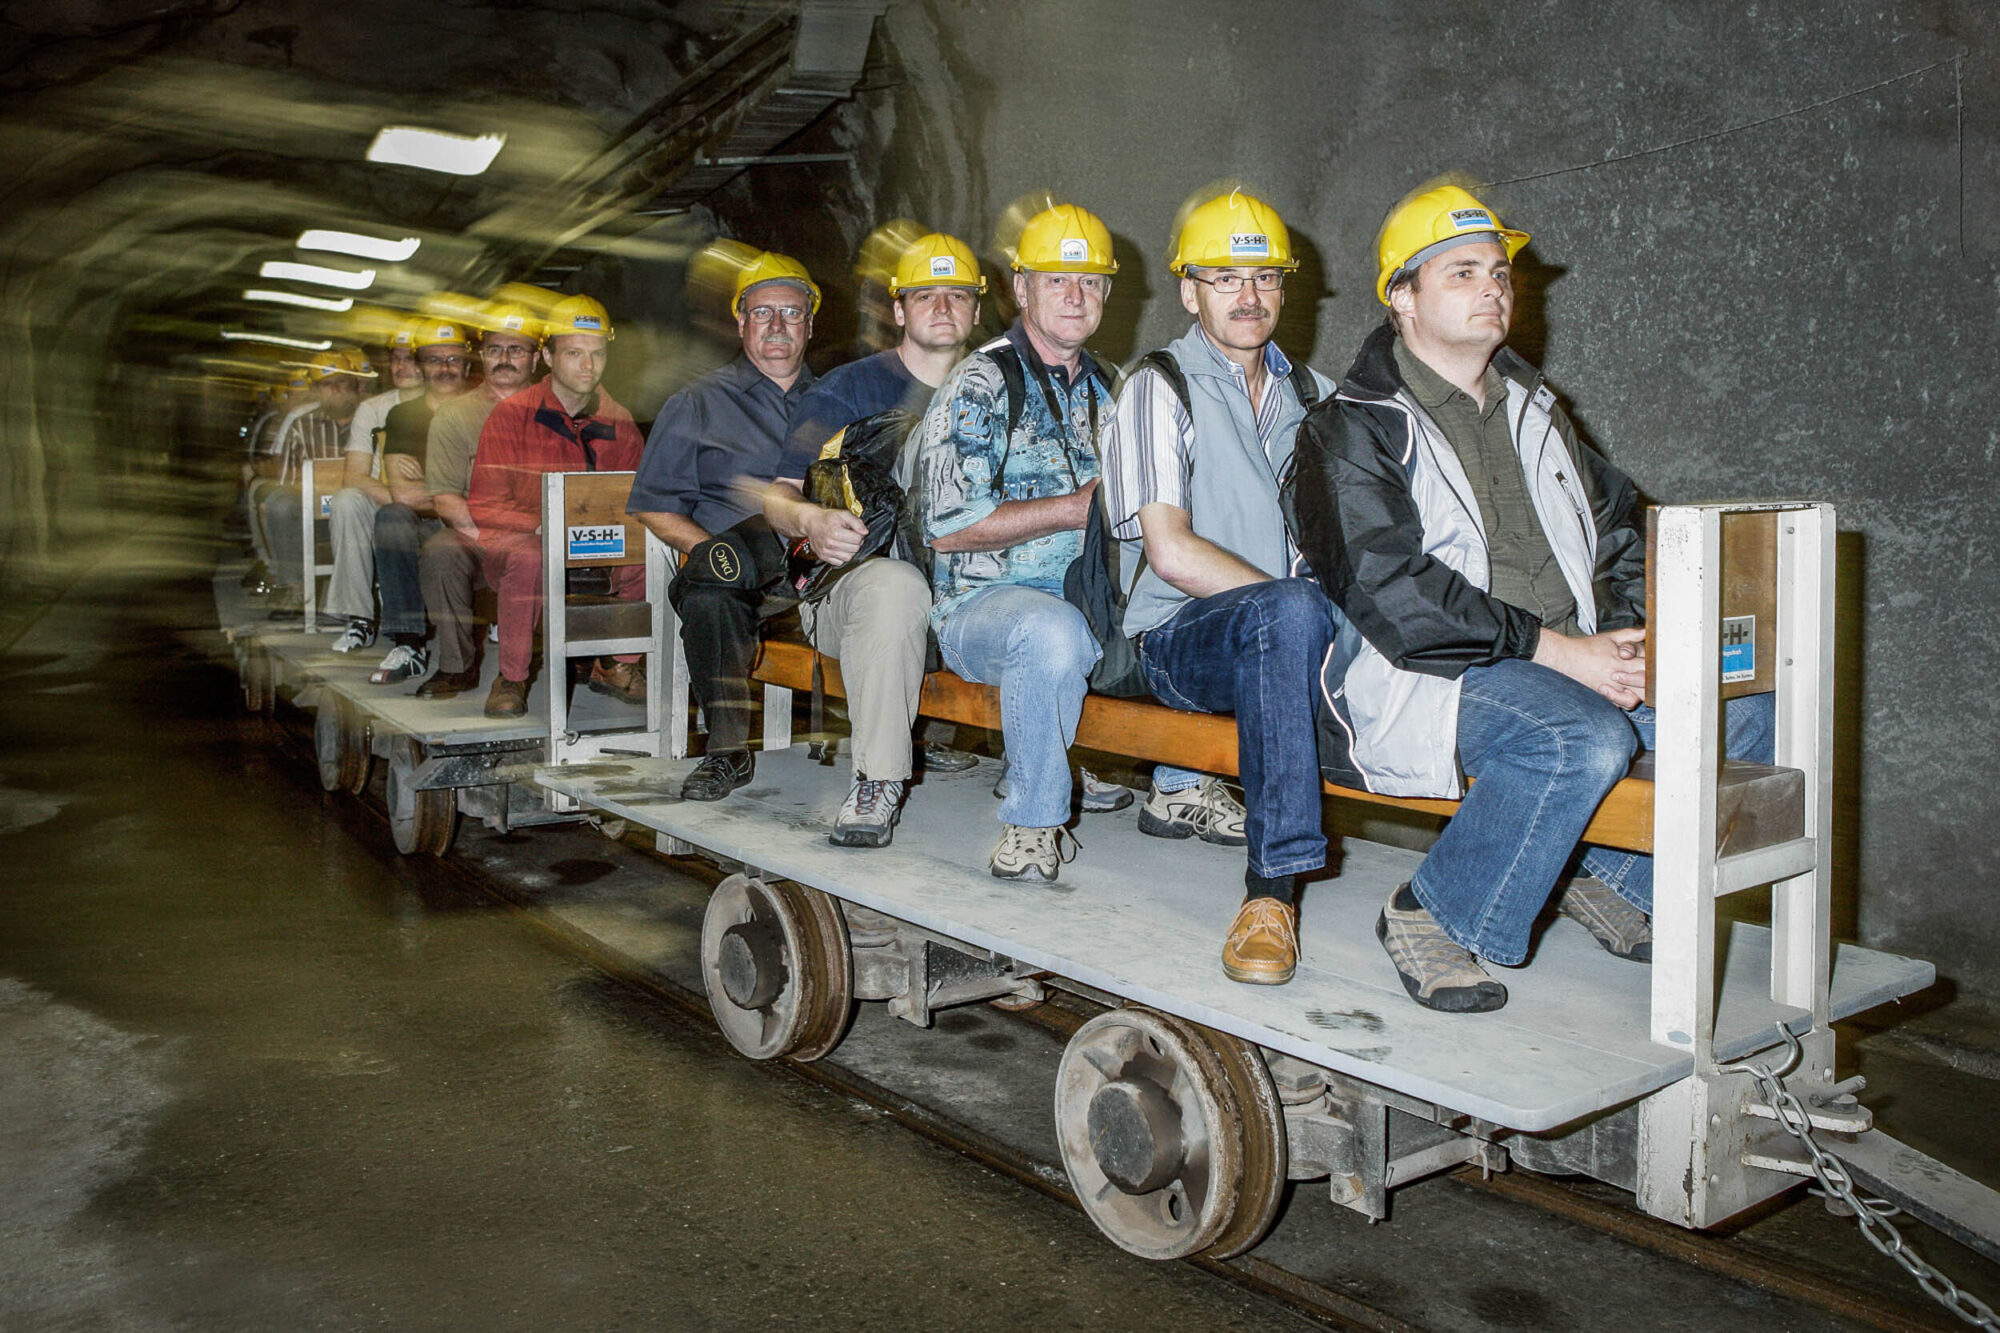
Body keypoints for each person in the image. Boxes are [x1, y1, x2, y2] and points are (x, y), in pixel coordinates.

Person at [1290, 183, 1774, 1013]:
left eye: (1500, 274)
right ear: (1401, 297)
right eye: (1463, 272)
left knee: (1743, 702)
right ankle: (1431, 912)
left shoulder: (1537, 409)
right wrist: (1564, 655)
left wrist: (1627, 639)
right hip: (1433, 670)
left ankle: (1603, 874)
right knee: (1577, 740)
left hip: (1568, 652)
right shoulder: (1350, 426)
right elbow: (1391, 591)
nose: (1493, 289)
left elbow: (1619, 527)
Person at [1099, 191, 1339, 985]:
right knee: (1289, 612)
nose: (1249, 295)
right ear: (1190, 290)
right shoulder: (1157, 386)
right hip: (1179, 639)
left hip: (1293, 625)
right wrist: (1297, 607)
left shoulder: (1315, 396)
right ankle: (1272, 895)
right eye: (1226, 277)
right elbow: (1170, 553)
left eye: (1266, 277)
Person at [912, 203, 1119, 882]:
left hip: (1089, 596)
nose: (1074, 295)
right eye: (1057, 280)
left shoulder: (1111, 388)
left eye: (1089, 282)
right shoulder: (982, 382)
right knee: (1051, 634)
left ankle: (1181, 787)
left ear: (1107, 295)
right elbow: (946, 529)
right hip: (984, 607)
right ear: (1023, 289)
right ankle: (1033, 822)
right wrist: (1072, 510)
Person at [760, 232, 983, 846]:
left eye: (957, 295)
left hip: (969, 591)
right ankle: (877, 779)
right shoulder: (847, 390)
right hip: (854, 591)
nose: (942, 307)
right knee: (895, 585)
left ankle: (1085, 755)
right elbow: (775, 494)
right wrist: (811, 521)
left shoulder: (998, 385)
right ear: (899, 309)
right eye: (925, 294)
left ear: (978, 309)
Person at [628, 251, 819, 802]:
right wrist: (707, 551)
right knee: (711, 589)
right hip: (738, 575)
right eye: (763, 314)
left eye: (790, 312)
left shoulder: (838, 402)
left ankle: (917, 734)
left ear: (810, 322)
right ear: (741, 323)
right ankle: (727, 750)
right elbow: (655, 503)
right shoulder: (697, 403)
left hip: (821, 567)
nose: (778, 326)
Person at [466, 295, 645, 719]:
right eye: (574, 354)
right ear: (547, 356)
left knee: (651, 549)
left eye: (597, 354)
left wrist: (625, 530)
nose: (588, 366)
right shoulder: (512, 417)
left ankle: (618, 664)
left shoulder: (620, 422)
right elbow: (486, 504)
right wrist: (541, 525)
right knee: (531, 557)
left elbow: (637, 499)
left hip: (595, 543)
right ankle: (511, 677)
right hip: (521, 546)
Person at [397, 303, 542, 696]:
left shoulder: (558, 411)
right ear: (481, 355)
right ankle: (456, 666)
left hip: (543, 533)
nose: (505, 359)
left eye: (516, 350)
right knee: (441, 551)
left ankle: (589, 660)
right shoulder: (455, 415)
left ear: (535, 357)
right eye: (495, 349)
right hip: (479, 535)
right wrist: (490, 541)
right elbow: (445, 499)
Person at [325, 319, 472, 654]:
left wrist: (417, 492)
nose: (402, 366)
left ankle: (412, 638)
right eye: (396, 358)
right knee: (349, 501)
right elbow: (355, 477)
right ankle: (359, 617)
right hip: (385, 496)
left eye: (410, 357)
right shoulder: (375, 409)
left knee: (397, 515)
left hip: (428, 502)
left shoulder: (450, 401)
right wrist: (401, 494)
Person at [258, 348, 373, 622]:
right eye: (326, 384)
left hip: (365, 510)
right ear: (316, 389)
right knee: (280, 503)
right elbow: (286, 482)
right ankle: (296, 587)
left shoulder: (374, 418)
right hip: (314, 513)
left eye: (342, 382)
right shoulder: (301, 425)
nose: (336, 390)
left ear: (355, 384)